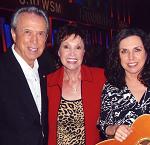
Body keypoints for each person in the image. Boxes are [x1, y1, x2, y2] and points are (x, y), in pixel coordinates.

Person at [47, 24, 106, 145]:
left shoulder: (101, 78)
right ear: (58, 51)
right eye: (66, 47)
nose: (72, 53)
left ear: (84, 51)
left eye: (78, 47)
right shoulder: (47, 83)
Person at [0, 6, 49, 145]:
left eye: (40, 34)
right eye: (28, 32)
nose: (35, 40)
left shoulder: (48, 69)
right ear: (14, 34)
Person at [97, 28, 150, 142]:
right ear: (118, 56)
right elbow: (104, 125)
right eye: (124, 51)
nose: (131, 57)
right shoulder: (111, 88)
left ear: (146, 52)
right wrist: (116, 129)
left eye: (137, 50)